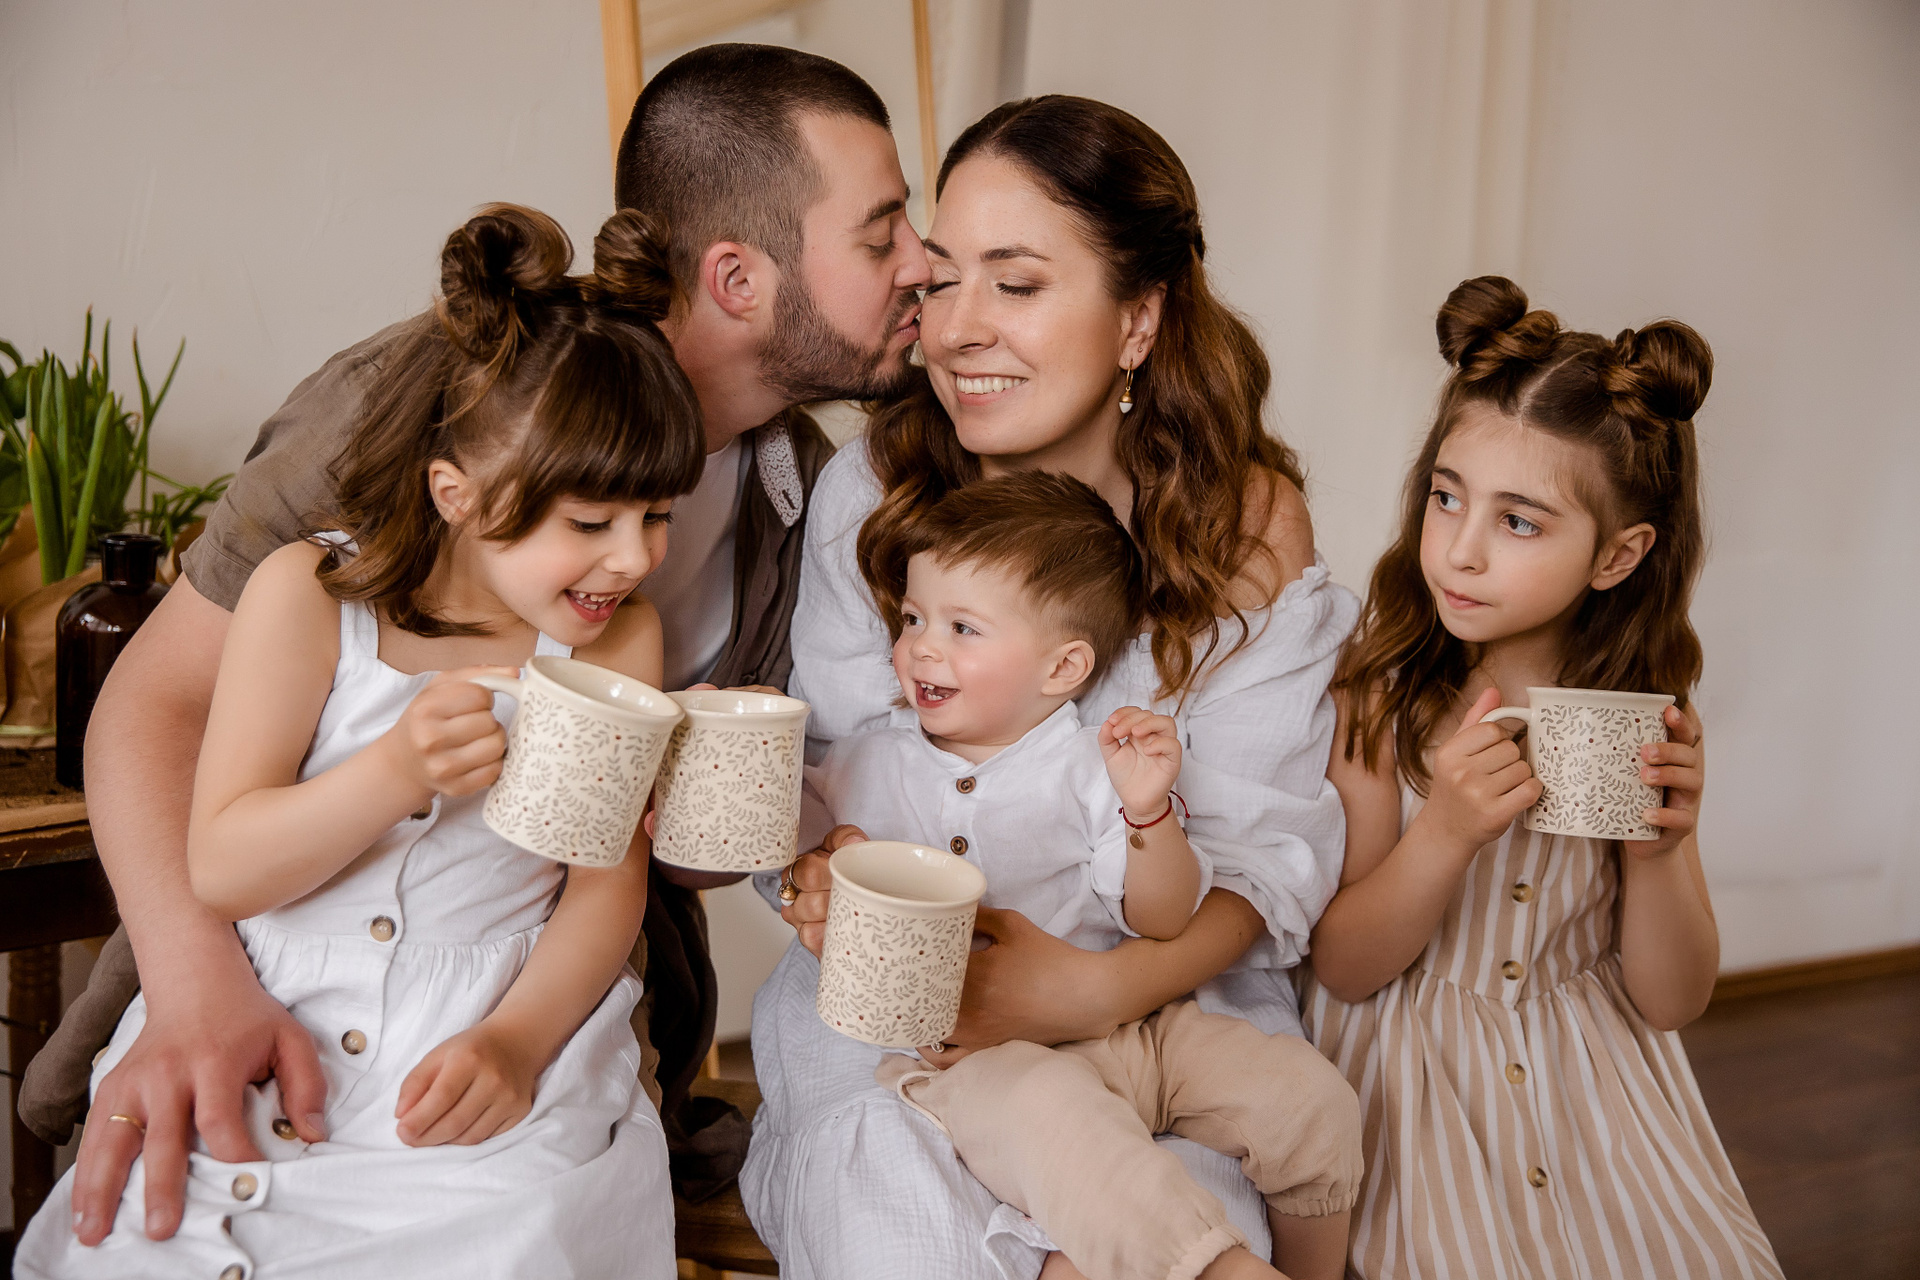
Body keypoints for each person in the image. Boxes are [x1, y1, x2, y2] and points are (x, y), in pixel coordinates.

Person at [21, 42, 932, 1244]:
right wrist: (196, 989)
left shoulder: (803, 493)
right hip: (270, 964)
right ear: (736, 276)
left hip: (532, 990)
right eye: (883, 233)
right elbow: (155, 702)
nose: (926, 263)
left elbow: (650, 859)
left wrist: (750, 830)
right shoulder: (450, 393)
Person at [19, 204, 699, 1278]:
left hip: (491, 1023)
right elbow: (225, 863)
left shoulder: (616, 642)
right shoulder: (308, 596)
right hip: (276, 1013)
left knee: (505, 1238)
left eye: (657, 515)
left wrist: (517, 1041)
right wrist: (391, 773)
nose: (634, 558)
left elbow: (602, 888)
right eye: (591, 522)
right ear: (456, 493)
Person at [752, 95, 1359, 1280]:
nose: (957, 329)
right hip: (892, 1011)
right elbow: (829, 785)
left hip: (1168, 1008)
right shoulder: (876, 492)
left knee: (1179, 1227)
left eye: (1018, 284)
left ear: (1139, 319)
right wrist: (822, 873)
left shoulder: (1239, 528)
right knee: (892, 1212)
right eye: (941, 281)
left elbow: (1267, 858)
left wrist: (1090, 990)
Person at [1298, 276, 1783, 1278]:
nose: (1461, 550)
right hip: (1420, 1084)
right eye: (1447, 497)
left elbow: (1670, 999)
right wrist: (1444, 834)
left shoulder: (1640, 712)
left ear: (1618, 555)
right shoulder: (1381, 693)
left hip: (1590, 1087)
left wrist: (1663, 850)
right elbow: (1343, 965)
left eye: (1519, 522)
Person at [807, 471, 1362, 1280]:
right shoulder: (864, 763)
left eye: (963, 628)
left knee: (1308, 1099)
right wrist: (809, 852)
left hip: (1136, 1035)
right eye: (913, 618)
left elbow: (1164, 917)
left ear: (1064, 666)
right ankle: (1220, 1270)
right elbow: (791, 842)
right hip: (983, 1065)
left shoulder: (1090, 765)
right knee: (1076, 1141)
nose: (922, 646)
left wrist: (1148, 814)